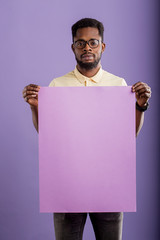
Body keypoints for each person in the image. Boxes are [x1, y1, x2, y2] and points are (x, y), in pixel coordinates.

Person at [22, 18, 151, 240]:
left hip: (108, 184)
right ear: (73, 47)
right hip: (67, 184)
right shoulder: (57, 85)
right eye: (80, 43)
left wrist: (140, 106)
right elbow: (49, 137)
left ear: (102, 46)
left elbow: (129, 136)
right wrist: (35, 108)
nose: (87, 48)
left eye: (93, 42)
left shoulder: (119, 85)